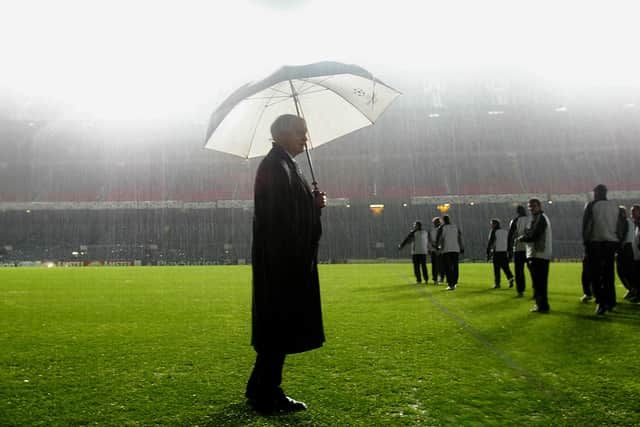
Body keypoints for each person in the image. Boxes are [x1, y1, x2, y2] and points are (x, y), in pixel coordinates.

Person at [245, 114, 327, 413]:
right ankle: (266, 391)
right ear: (281, 134)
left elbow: (290, 212)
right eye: (300, 132)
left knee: (276, 327)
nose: (305, 138)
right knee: (277, 326)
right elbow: (281, 218)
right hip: (281, 261)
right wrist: (312, 207)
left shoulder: (283, 165)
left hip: (282, 259)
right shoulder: (276, 167)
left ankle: (261, 387)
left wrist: (312, 205)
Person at [582, 184, 624, 315]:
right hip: (611, 243)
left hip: (596, 243)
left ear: (596, 193)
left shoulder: (591, 205)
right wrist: (618, 242)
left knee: (595, 274)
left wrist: (586, 242)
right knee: (608, 274)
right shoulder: (615, 206)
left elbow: (587, 225)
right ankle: (611, 301)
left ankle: (601, 302)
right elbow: (620, 226)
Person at [519, 198, 552, 313]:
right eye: (530, 206)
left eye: (533, 206)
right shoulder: (536, 218)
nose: (531, 208)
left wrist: (523, 238)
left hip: (539, 253)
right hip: (537, 254)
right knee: (539, 282)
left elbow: (534, 235)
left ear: (539, 206)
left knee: (539, 282)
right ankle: (541, 304)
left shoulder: (540, 218)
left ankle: (542, 305)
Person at [436, 214, 464, 290]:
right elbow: (459, 237)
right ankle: (454, 283)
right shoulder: (455, 227)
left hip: (446, 250)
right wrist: (461, 247)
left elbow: (439, 239)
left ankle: (450, 284)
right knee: (455, 267)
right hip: (455, 249)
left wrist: (438, 248)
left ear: (442, 220)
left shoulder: (442, 227)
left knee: (447, 268)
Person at [487, 219, 514, 289]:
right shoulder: (505, 232)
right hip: (504, 252)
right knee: (505, 267)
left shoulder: (494, 231)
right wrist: (510, 253)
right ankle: (510, 278)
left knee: (496, 269)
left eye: (492, 224)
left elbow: (490, 242)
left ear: (495, 224)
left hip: (497, 252)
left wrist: (488, 252)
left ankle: (497, 283)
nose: (491, 225)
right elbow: (509, 243)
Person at [508, 205, 529, 297]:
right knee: (533, 271)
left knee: (519, 271)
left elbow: (510, 235)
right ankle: (537, 291)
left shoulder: (515, 221)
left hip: (519, 248)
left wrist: (509, 249)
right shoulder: (530, 219)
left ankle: (520, 291)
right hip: (529, 249)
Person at [428, 217, 445, 285]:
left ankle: (441, 277)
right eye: (435, 222)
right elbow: (429, 240)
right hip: (433, 249)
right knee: (434, 265)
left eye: (437, 222)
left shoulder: (442, 229)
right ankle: (435, 278)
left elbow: (443, 239)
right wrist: (430, 248)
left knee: (441, 265)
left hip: (441, 250)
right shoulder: (431, 230)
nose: (436, 223)